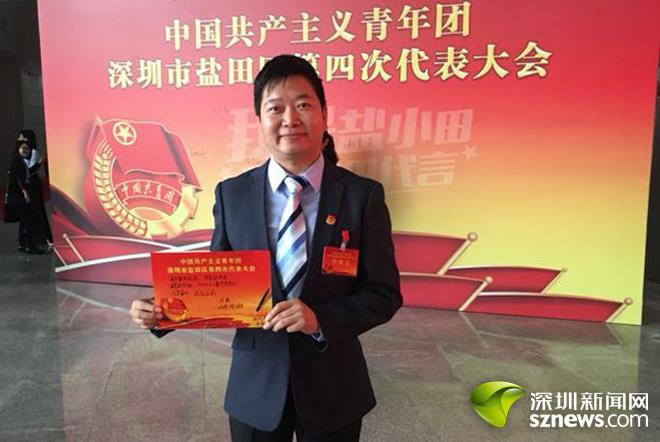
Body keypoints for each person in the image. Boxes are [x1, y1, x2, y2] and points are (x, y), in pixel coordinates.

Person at [130, 54, 402, 442]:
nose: (290, 118)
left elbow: (384, 293)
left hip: (334, 387)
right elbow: (217, 285)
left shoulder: (362, 197)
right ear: (259, 120)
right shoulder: (232, 195)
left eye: (303, 105)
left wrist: (319, 319)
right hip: (255, 386)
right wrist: (163, 312)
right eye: (275, 108)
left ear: (324, 114)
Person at [5, 141, 47, 254]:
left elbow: (28, 172)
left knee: (24, 222)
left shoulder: (20, 161)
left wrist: (38, 163)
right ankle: (30, 246)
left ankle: (22, 244)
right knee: (27, 221)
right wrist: (26, 194)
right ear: (18, 149)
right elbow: (20, 179)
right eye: (23, 148)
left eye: (27, 149)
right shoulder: (17, 162)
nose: (26, 151)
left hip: (18, 196)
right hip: (18, 196)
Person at [17, 129, 53, 248]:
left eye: (22, 137)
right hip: (25, 185)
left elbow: (31, 170)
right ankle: (26, 240)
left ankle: (48, 238)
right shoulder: (19, 153)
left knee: (38, 211)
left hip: (33, 185)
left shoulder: (33, 152)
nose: (20, 140)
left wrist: (36, 165)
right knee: (26, 214)